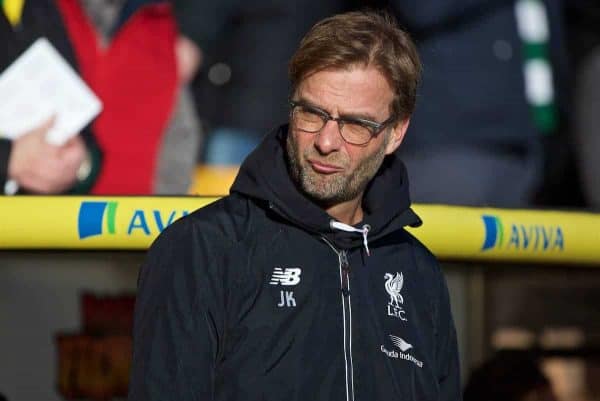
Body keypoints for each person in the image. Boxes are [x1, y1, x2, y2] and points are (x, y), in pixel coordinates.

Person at [129, 10, 461, 401]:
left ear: (395, 133)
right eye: (312, 113)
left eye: (356, 124)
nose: (326, 141)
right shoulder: (203, 248)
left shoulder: (416, 269)